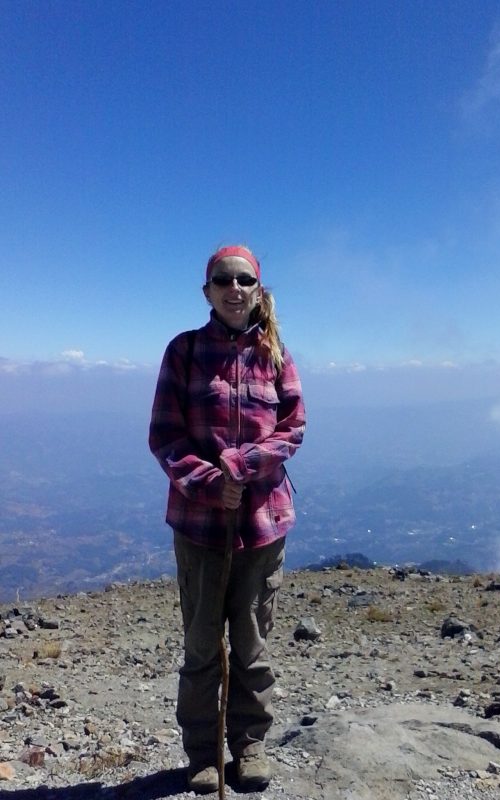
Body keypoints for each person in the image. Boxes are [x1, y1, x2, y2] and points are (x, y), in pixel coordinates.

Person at [149, 245, 305, 794]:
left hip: (262, 525)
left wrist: (241, 465)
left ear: (258, 290)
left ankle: (250, 744)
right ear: (207, 290)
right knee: (200, 644)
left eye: (244, 280)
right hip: (199, 525)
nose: (233, 288)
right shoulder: (185, 351)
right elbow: (165, 437)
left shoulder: (276, 353)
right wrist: (213, 483)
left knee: (253, 641)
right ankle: (203, 752)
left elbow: (292, 428)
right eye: (223, 279)